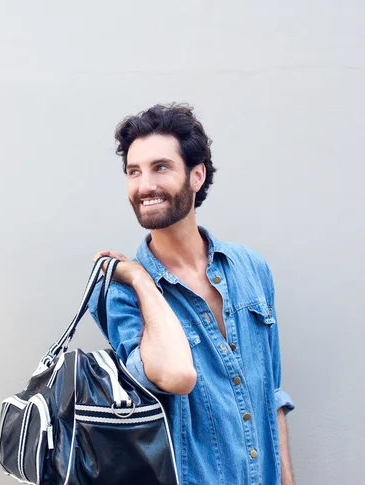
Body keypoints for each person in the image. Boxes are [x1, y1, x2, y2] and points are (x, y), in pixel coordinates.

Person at [88, 103, 295, 485]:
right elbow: (176, 375)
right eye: (133, 172)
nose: (144, 185)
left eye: (160, 167)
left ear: (196, 175)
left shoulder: (251, 268)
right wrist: (142, 280)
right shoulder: (119, 294)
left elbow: (273, 395)